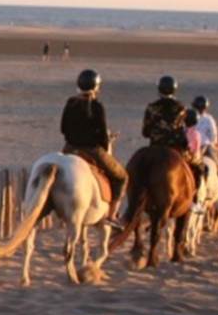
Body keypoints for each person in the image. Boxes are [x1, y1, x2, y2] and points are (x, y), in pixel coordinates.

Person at [59, 69, 127, 214]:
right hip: (92, 150)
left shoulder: (70, 103)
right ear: (96, 87)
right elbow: (102, 135)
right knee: (122, 177)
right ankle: (112, 215)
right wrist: (104, 145)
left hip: (69, 148)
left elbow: (63, 129)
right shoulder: (97, 107)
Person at [142, 76, 188, 151]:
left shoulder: (151, 107)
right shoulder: (181, 108)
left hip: (155, 146)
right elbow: (183, 129)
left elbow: (145, 133)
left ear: (159, 89)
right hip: (175, 146)